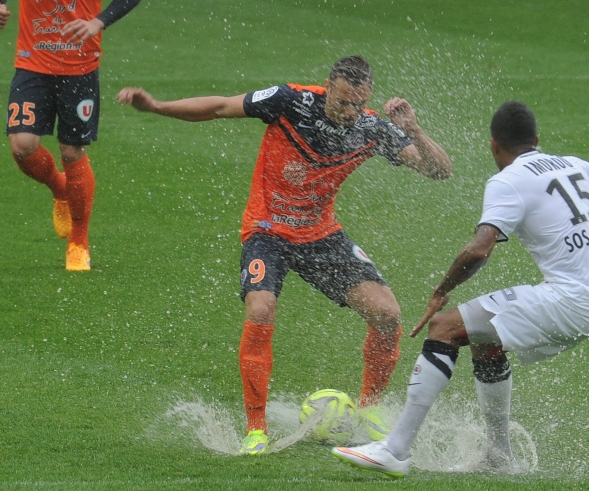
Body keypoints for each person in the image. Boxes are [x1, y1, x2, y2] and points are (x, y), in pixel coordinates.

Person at [117, 55, 453, 455]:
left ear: (367, 98)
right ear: (328, 86)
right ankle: (256, 430)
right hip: (267, 229)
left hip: (321, 234)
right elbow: (221, 106)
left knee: (387, 314)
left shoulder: (373, 129)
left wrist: (413, 128)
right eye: (341, 102)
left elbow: (439, 171)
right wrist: (156, 107)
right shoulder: (288, 101)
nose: (348, 113)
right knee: (260, 310)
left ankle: (369, 408)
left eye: (356, 104)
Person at [332, 100, 589, 477]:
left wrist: (441, 290)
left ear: (494, 145)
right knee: (484, 339)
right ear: (537, 139)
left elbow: (479, 248)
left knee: (443, 327)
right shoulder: (573, 165)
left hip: (572, 299)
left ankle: (395, 450)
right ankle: (499, 457)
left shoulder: (508, 181)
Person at [1, 0, 141, 271]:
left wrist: (98, 22)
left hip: (80, 68)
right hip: (32, 63)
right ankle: (60, 189)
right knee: (21, 145)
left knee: (71, 151)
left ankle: (79, 242)